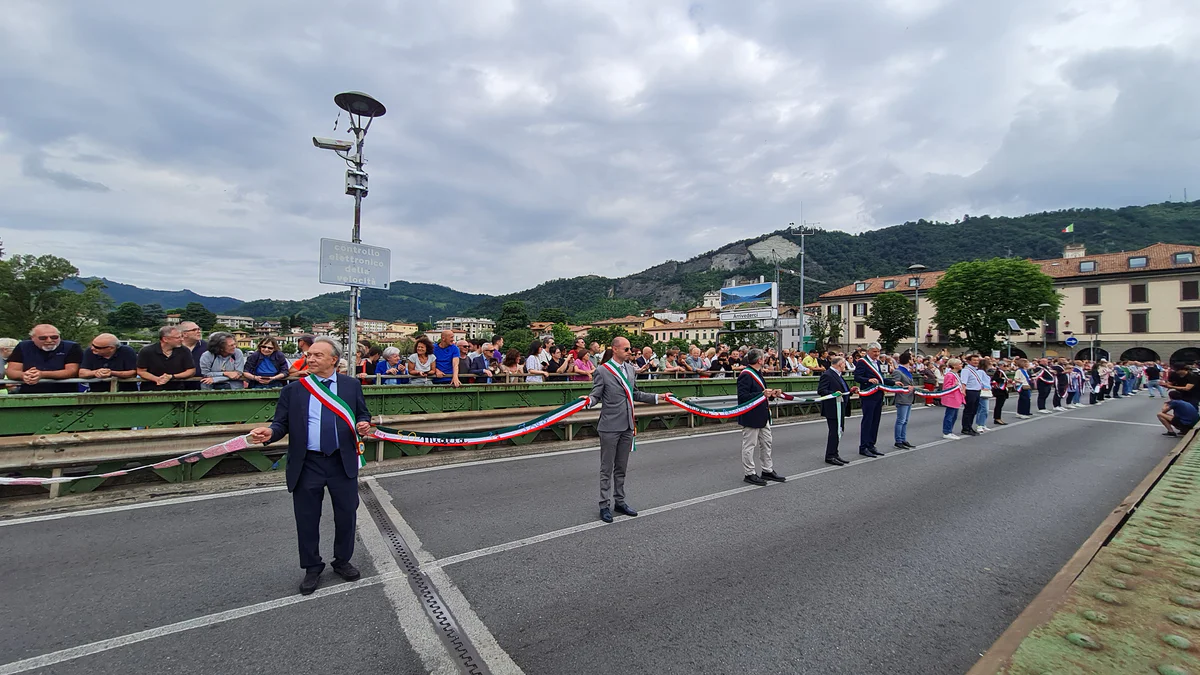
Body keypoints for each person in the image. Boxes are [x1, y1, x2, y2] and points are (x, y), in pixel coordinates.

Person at [248, 337, 373, 595]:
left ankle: (342, 560)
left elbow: (362, 413)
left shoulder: (351, 386)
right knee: (306, 518)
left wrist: (363, 423)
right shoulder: (294, 390)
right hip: (308, 463)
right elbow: (280, 424)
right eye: (310, 355)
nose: (311, 359)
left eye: (317, 355)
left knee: (346, 515)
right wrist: (269, 433)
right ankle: (312, 567)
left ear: (334, 360)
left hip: (342, 460)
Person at [582, 336, 671, 524]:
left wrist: (659, 397)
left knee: (621, 468)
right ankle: (604, 505)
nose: (630, 352)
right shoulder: (602, 371)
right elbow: (596, 395)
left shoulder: (631, 370)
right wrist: (588, 401)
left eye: (630, 349)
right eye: (626, 349)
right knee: (606, 468)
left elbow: (635, 393)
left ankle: (620, 501)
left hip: (627, 425)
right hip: (609, 426)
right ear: (615, 349)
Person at [737, 349, 786, 486]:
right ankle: (750, 473)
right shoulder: (746, 375)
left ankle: (767, 470)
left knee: (766, 443)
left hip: (762, 414)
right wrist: (762, 394)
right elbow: (743, 397)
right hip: (751, 416)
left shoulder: (757, 374)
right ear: (759, 360)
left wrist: (771, 394)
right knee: (749, 445)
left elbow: (760, 394)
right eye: (763, 358)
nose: (764, 360)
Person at [4, 324, 85, 394]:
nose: (49, 340)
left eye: (54, 337)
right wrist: (24, 375)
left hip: (65, 393)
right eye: (43, 338)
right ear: (33, 338)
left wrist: (42, 374)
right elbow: (11, 371)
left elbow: (71, 371)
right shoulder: (23, 347)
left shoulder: (71, 347)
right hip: (29, 394)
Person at [852, 342, 893, 457]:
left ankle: (871, 445)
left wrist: (894, 383)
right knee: (868, 421)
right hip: (868, 395)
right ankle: (863, 446)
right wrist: (868, 380)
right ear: (869, 351)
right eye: (875, 351)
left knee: (875, 421)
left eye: (878, 351)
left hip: (878, 394)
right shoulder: (863, 362)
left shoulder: (878, 363)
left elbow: (881, 379)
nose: (877, 354)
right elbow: (857, 377)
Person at [137, 326, 196, 391]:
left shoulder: (184, 350)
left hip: (178, 390)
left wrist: (172, 376)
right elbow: (141, 371)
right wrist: (156, 379)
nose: (182, 339)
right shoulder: (146, 351)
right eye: (178, 337)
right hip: (150, 390)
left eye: (181, 336)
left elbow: (191, 371)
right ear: (165, 339)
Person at [818, 356, 852, 465]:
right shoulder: (827, 375)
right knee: (834, 432)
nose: (845, 366)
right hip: (833, 408)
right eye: (844, 364)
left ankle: (835, 453)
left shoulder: (838, 375)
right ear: (839, 364)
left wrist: (849, 391)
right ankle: (830, 455)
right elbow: (822, 390)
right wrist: (834, 393)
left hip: (840, 406)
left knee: (839, 431)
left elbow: (842, 390)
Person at [891, 352, 917, 449]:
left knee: (905, 420)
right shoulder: (898, 371)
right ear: (908, 359)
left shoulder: (907, 371)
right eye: (911, 358)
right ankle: (898, 440)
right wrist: (906, 387)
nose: (913, 360)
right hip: (902, 397)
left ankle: (903, 438)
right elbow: (895, 384)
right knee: (901, 420)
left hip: (909, 397)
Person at [941, 358, 965, 439]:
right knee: (950, 415)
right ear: (955, 366)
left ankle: (950, 430)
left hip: (956, 397)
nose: (961, 365)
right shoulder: (950, 375)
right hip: (951, 398)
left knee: (954, 415)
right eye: (960, 364)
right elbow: (947, 387)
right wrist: (955, 385)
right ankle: (947, 431)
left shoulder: (955, 374)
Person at [179, 321, 206, 390]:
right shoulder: (174, 347)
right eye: (194, 330)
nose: (198, 331)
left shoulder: (208, 347)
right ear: (184, 334)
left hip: (202, 385)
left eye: (199, 329)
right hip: (177, 385)